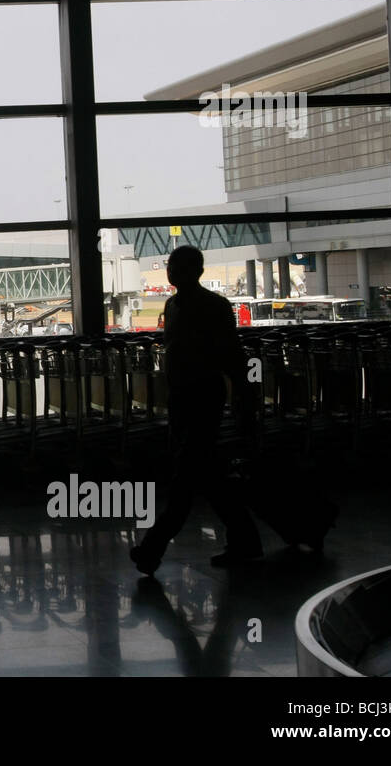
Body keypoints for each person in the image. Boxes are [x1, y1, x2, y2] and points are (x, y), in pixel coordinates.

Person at [131, 245, 262, 573]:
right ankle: (246, 541)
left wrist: (243, 396)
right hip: (183, 398)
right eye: (171, 265)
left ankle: (152, 549)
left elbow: (231, 355)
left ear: (195, 271)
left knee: (185, 479)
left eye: (178, 266)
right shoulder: (174, 304)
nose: (171, 271)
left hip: (203, 397)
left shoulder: (210, 306)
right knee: (208, 477)